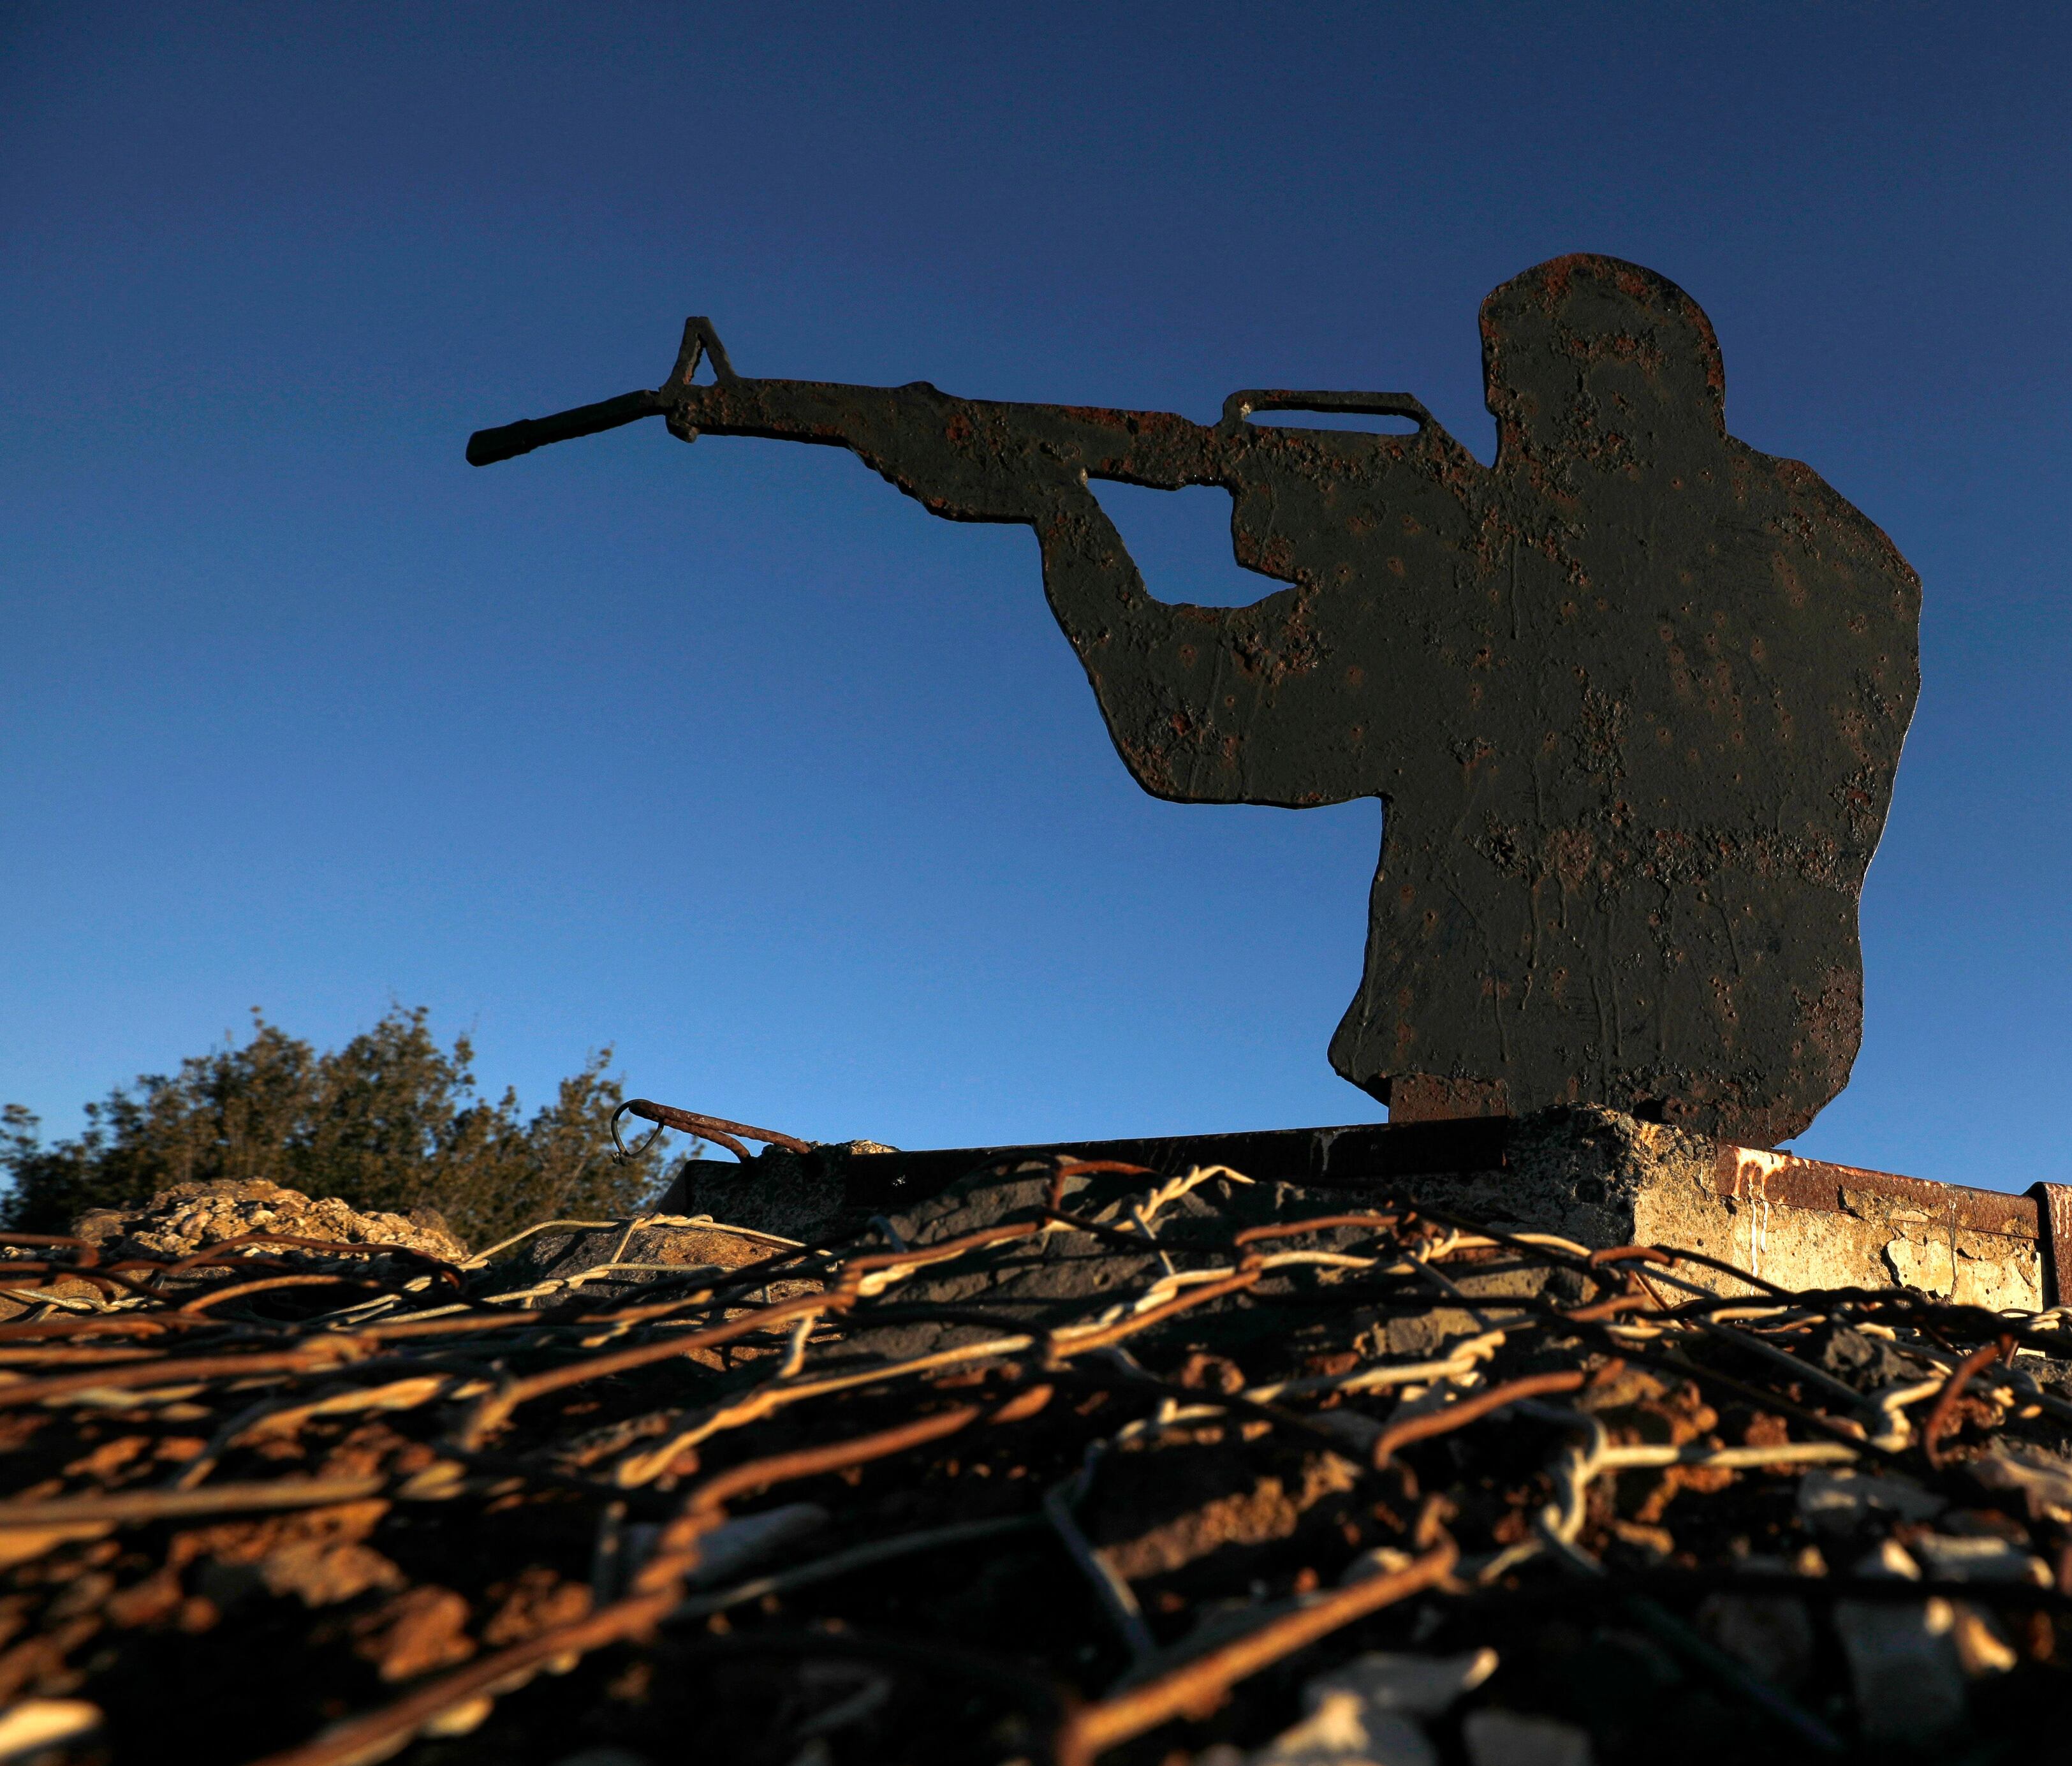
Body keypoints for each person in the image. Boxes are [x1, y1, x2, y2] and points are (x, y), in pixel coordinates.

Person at [505, 256, 1920, 1144]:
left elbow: (1194, 729)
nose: (1500, 437)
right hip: (1761, 1067)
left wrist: (1053, 519)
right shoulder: (1854, 570)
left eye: (1509, 408)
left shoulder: (1500, 573)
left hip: (1498, 1096)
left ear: (1543, 401)